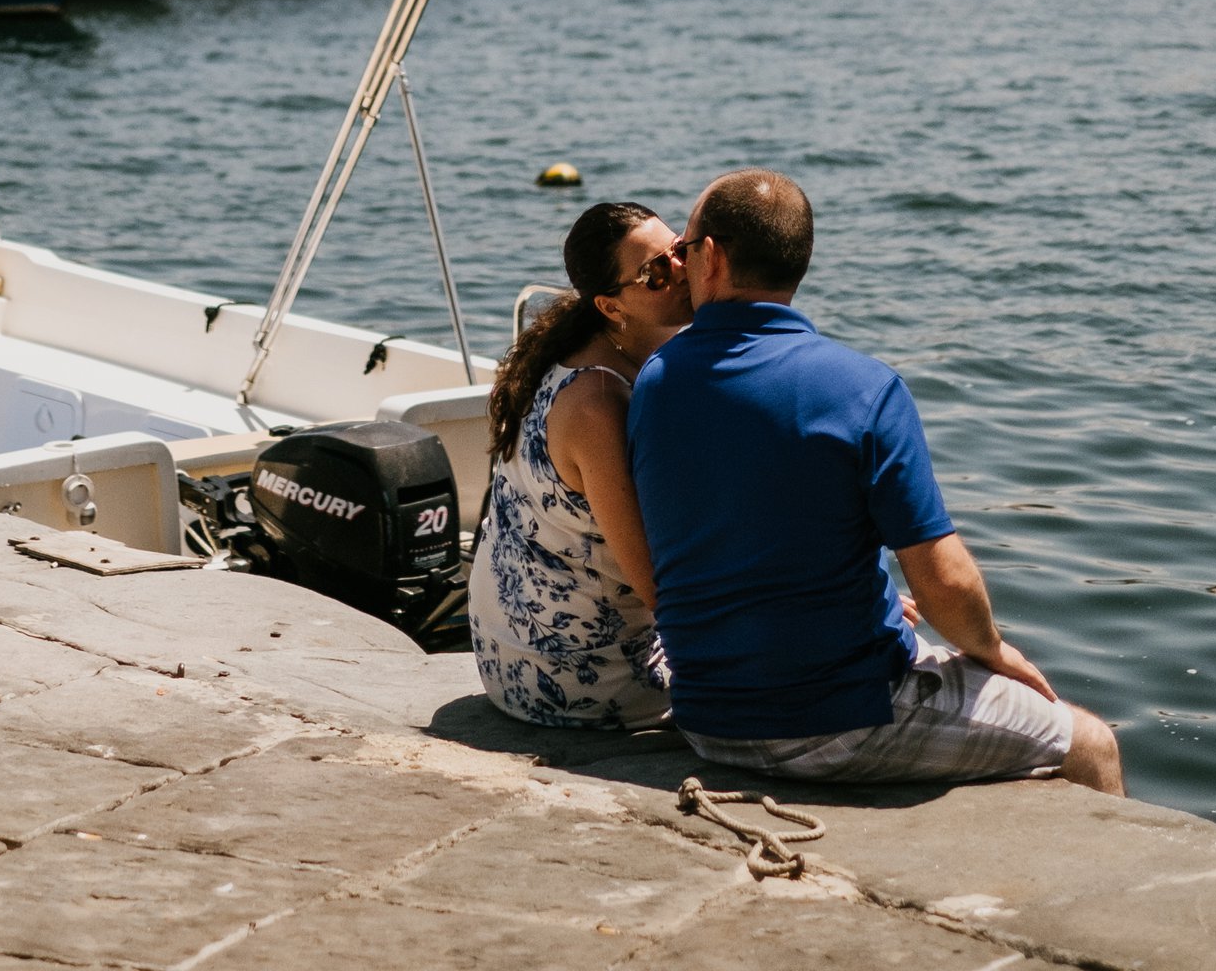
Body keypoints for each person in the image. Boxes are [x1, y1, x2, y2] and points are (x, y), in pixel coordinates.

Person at [629, 168, 1124, 792]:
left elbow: (739, 533)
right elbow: (942, 578)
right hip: (833, 723)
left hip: (708, 713)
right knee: (1091, 741)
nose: (679, 260)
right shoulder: (863, 388)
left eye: (685, 246)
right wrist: (995, 652)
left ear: (714, 258)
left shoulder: (655, 381)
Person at [470, 198, 692, 730]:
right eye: (657, 271)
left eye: (681, 250)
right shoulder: (596, 401)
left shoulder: (590, 356)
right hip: (571, 677)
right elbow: (655, 582)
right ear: (612, 307)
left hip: (511, 653)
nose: (682, 271)